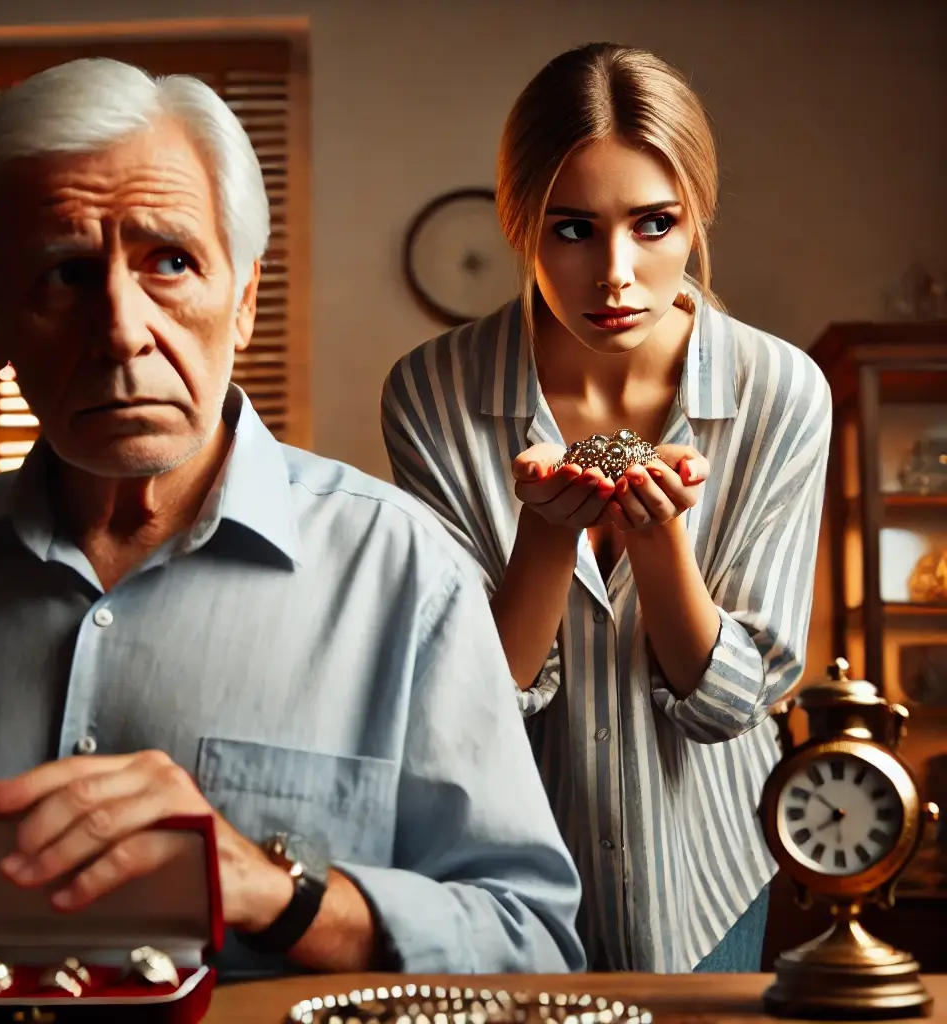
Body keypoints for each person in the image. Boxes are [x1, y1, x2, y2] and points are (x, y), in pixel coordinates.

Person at [0, 57, 586, 982]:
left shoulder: (401, 572)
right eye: (64, 273)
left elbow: (533, 949)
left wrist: (276, 894)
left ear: (242, 302)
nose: (120, 327)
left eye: (171, 261)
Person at [382, 42, 832, 973]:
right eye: (573, 229)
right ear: (519, 223)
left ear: (698, 212)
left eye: (656, 224)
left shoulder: (783, 391)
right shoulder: (431, 393)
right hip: (509, 872)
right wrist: (545, 535)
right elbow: (472, 701)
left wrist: (662, 540)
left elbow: (735, 705)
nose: (616, 272)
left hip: (708, 868)